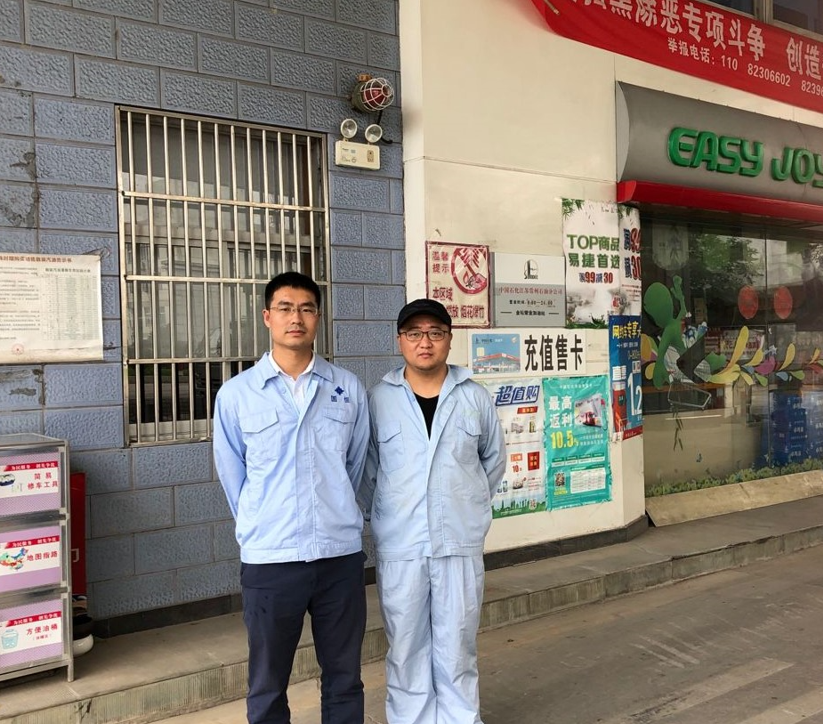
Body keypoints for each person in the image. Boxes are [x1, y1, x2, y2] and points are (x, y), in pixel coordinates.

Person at [213, 271, 370, 724]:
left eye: (306, 308)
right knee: (267, 683)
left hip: (338, 556)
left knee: (344, 677)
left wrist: (336, 510)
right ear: (267, 317)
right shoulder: (237, 395)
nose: (295, 318)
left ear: (318, 317)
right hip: (271, 559)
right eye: (285, 308)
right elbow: (234, 479)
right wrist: (261, 522)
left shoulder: (346, 388)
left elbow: (354, 466)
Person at [359, 298, 507, 724]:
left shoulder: (473, 397)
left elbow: (492, 462)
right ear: (400, 340)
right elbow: (367, 471)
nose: (425, 342)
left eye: (435, 333)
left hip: (458, 541)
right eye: (414, 334)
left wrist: (467, 505)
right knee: (406, 646)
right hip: (401, 545)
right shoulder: (379, 399)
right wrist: (387, 514)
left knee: (457, 644)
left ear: (449, 339)